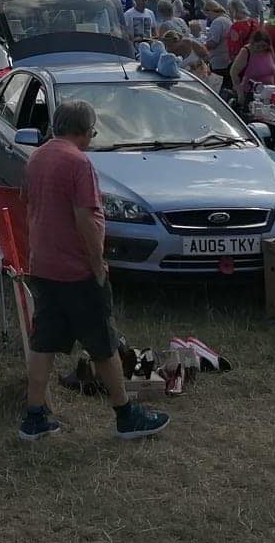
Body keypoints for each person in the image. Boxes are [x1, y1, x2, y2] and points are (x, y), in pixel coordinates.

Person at [14, 98, 170, 443]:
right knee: (103, 342)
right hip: (76, 270)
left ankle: (34, 415)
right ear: (84, 131)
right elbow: (87, 218)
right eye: (92, 131)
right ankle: (126, 414)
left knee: (44, 342)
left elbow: (29, 201)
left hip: (43, 265)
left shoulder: (36, 157)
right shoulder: (78, 163)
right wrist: (97, 262)